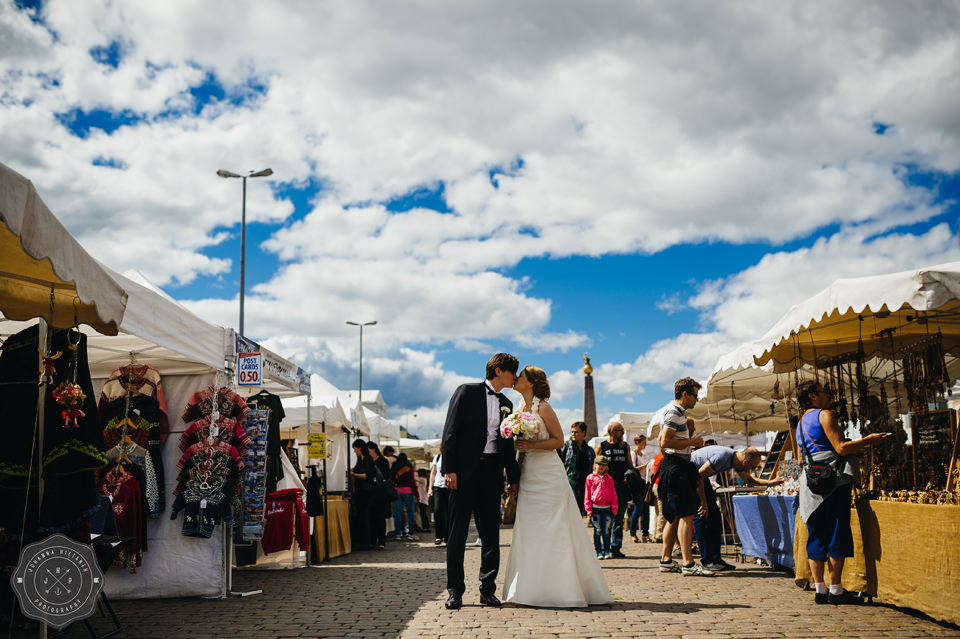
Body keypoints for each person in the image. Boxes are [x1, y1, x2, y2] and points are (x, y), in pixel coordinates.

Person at [502, 366, 611, 607]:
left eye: (520, 376)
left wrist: (530, 447)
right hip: (529, 472)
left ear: (530, 383)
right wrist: (515, 478)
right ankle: (531, 588)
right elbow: (520, 448)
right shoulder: (519, 409)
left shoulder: (543, 407)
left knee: (555, 526)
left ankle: (564, 587)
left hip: (548, 473)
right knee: (530, 527)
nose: (516, 378)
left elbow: (559, 441)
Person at [796, 380, 889, 605]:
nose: (828, 394)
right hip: (834, 481)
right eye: (824, 391)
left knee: (816, 534)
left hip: (811, 485)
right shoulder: (824, 415)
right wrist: (868, 440)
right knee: (838, 530)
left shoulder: (800, 423)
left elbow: (800, 459)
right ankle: (836, 590)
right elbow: (840, 448)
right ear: (812, 396)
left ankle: (820, 589)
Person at [441, 353, 521, 610]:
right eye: (512, 372)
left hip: (491, 475)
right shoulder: (466, 392)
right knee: (457, 534)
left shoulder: (507, 403)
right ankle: (455, 591)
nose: (515, 377)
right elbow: (450, 432)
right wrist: (450, 469)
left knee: (491, 535)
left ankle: (488, 590)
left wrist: (513, 478)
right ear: (499, 371)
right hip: (462, 475)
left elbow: (508, 446)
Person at [690, 446, 784, 571]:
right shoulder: (722, 457)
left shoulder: (737, 462)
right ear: (745, 462)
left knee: (715, 517)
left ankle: (715, 559)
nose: (753, 470)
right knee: (703, 515)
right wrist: (703, 502)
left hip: (700, 478)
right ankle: (707, 560)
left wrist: (771, 483)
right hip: (692, 477)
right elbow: (698, 476)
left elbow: (748, 479)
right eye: (753, 467)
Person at [656, 377, 714, 577]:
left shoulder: (674, 412)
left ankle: (666, 560)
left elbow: (660, 441)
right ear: (685, 395)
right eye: (695, 395)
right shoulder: (674, 412)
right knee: (687, 515)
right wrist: (692, 441)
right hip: (676, 467)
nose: (696, 400)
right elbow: (664, 442)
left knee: (674, 517)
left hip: (674, 465)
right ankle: (688, 564)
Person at [595, 420, 633, 558]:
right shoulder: (602, 446)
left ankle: (616, 547)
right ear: (612, 432)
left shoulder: (625, 447)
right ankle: (605, 547)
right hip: (606, 487)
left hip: (621, 487)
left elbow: (630, 464)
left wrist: (630, 476)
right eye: (620, 430)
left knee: (618, 517)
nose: (622, 433)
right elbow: (595, 467)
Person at [558, 421, 595, 516]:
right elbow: (560, 462)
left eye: (576, 432)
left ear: (583, 432)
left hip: (583, 482)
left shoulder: (589, 450)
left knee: (580, 509)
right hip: (569, 481)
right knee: (571, 508)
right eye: (572, 432)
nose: (573, 434)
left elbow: (592, 468)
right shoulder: (566, 446)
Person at [584, 456, 618, 560]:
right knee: (598, 531)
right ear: (595, 465)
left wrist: (614, 507)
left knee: (607, 530)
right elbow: (587, 494)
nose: (601, 467)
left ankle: (606, 550)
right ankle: (599, 551)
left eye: (603, 465)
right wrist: (588, 509)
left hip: (607, 508)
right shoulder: (590, 478)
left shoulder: (609, 478)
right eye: (599, 465)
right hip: (596, 508)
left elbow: (613, 493)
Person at [348, 438, 375, 551]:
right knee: (361, 517)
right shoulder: (360, 459)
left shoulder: (368, 459)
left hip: (366, 492)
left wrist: (354, 474)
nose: (355, 452)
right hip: (360, 492)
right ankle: (363, 542)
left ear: (359, 448)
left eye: (355, 450)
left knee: (364, 517)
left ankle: (365, 543)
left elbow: (367, 476)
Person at [366, 441, 391, 549]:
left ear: (373, 449)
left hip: (381, 493)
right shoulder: (368, 461)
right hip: (371, 493)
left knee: (380, 518)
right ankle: (373, 540)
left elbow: (387, 476)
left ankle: (381, 541)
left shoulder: (383, 461)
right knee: (372, 518)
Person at [628, 433, 651, 543]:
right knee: (638, 508)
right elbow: (631, 468)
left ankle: (645, 534)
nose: (645, 445)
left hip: (645, 483)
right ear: (638, 443)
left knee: (646, 509)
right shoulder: (633, 454)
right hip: (636, 484)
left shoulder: (644, 455)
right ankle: (633, 533)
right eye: (644, 443)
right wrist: (644, 466)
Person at [391, 453, 419, 539]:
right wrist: (416, 493)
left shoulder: (395, 466)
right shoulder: (409, 467)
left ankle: (398, 533)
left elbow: (392, 478)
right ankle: (409, 533)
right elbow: (412, 481)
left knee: (398, 513)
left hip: (398, 491)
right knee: (410, 513)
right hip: (408, 491)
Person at [428, 453, 448, 545]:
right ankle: (439, 535)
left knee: (449, 512)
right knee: (438, 510)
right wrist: (430, 488)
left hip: (450, 487)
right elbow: (433, 473)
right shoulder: (438, 457)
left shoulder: (454, 455)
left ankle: (448, 536)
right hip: (438, 487)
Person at [416, 468, 431, 533]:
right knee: (423, 513)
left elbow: (414, 478)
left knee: (423, 514)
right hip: (423, 499)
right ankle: (425, 527)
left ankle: (425, 527)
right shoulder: (424, 479)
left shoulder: (422, 479)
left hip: (422, 499)